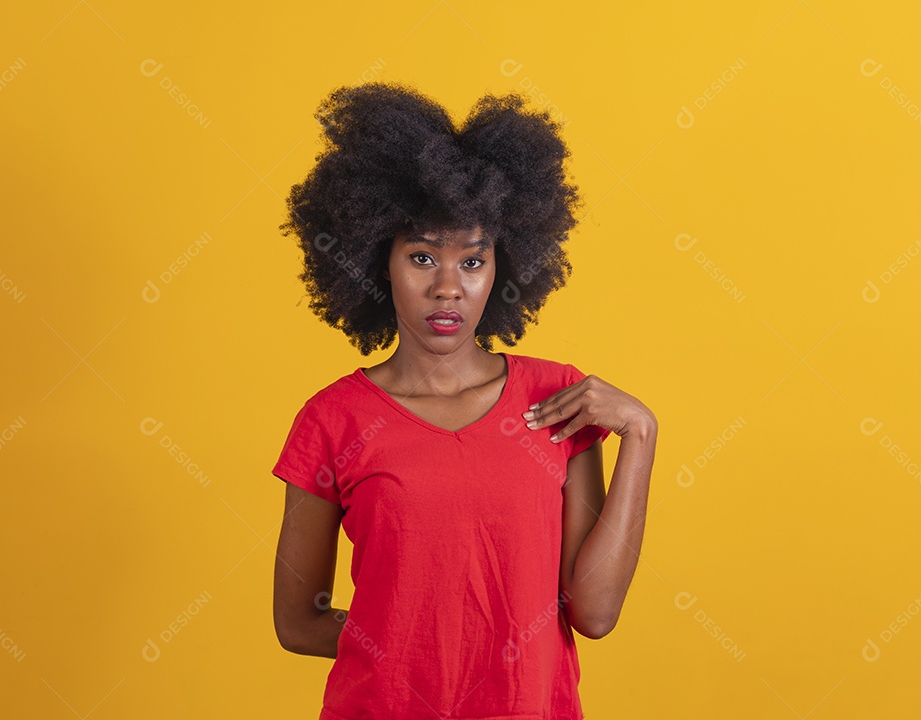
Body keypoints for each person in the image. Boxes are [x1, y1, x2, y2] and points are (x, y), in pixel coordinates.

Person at [271, 80, 657, 720]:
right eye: (422, 257)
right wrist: (416, 646)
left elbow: (594, 612)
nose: (448, 287)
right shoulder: (333, 419)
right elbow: (298, 622)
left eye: (472, 262)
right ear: (376, 262)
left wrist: (640, 435)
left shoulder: (556, 399)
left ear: (502, 266)